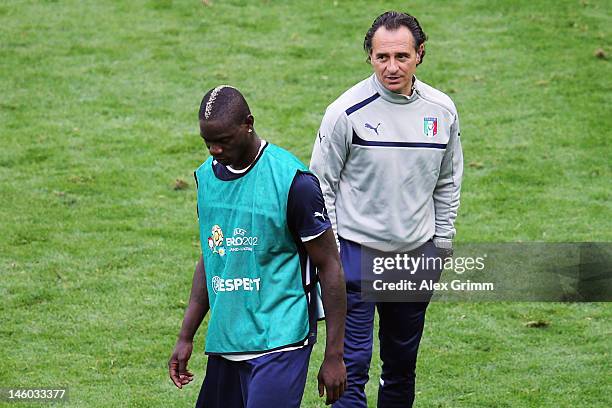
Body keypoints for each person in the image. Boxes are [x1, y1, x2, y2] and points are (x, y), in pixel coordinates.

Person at [309, 11, 463, 408]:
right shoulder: (345, 112)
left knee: (400, 368)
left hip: (415, 259)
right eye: (382, 57)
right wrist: (336, 255)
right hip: (356, 257)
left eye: (401, 56)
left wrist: (441, 246)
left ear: (420, 54)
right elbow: (320, 185)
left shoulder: (442, 111)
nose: (391, 67)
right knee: (350, 367)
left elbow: (447, 182)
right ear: (369, 57)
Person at [168, 86, 347, 407]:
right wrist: (185, 336)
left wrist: (334, 355)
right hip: (227, 339)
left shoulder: (293, 182)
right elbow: (212, 256)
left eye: (223, 140)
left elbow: (330, 265)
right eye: (207, 142)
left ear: (248, 123)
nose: (214, 150)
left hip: (281, 339)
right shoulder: (205, 179)